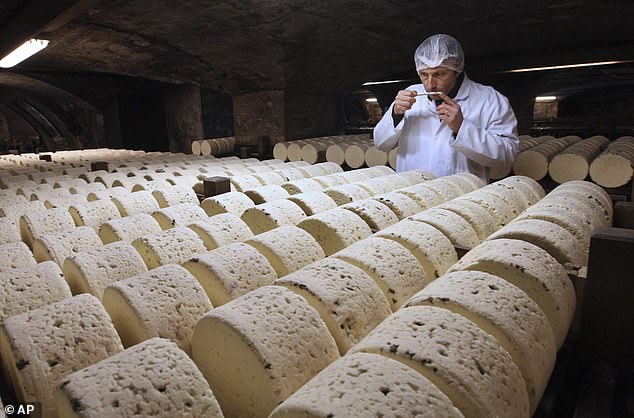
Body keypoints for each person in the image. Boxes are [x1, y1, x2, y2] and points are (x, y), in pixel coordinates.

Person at [373, 34, 519, 183]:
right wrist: (396, 114)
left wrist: (462, 128)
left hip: (462, 197)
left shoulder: (489, 100)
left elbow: (507, 156)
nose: (430, 85)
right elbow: (381, 143)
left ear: (456, 70)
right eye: (424, 75)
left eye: (439, 74)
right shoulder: (409, 95)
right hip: (411, 193)